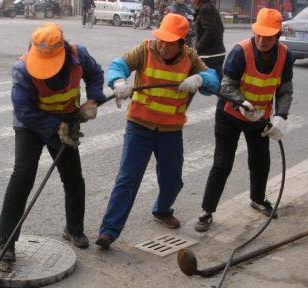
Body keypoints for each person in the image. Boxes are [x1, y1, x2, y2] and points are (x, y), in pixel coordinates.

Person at [95, 13, 220, 250]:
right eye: (161, 39)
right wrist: (119, 81)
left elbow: (213, 80)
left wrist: (200, 79)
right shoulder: (145, 50)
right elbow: (117, 65)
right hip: (139, 127)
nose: (162, 45)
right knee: (127, 179)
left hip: (170, 131)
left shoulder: (190, 57)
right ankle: (108, 232)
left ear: (182, 43)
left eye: (169, 42)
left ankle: (162, 210)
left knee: (172, 180)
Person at [0, 23, 106, 261]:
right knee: (22, 176)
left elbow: (96, 74)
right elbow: (23, 110)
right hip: (32, 125)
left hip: (65, 119)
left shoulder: (79, 55)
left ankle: (73, 229)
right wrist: (56, 127)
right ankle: (6, 241)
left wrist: (93, 100)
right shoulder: (23, 69)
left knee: (74, 178)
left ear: (63, 53)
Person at [194, 8, 294, 232]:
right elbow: (226, 86)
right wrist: (244, 103)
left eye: (268, 36)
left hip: (260, 118)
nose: (262, 40)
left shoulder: (286, 55)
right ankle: (207, 210)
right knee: (222, 162)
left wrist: (280, 116)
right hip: (230, 115)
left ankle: (258, 199)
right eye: (259, 34)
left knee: (260, 161)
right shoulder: (241, 51)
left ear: (277, 36)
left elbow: (285, 90)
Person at [191, 0, 225, 78]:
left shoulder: (205, 8)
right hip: (213, 53)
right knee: (214, 83)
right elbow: (220, 28)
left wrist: (198, 47)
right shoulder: (207, 6)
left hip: (210, 55)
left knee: (211, 84)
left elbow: (211, 30)